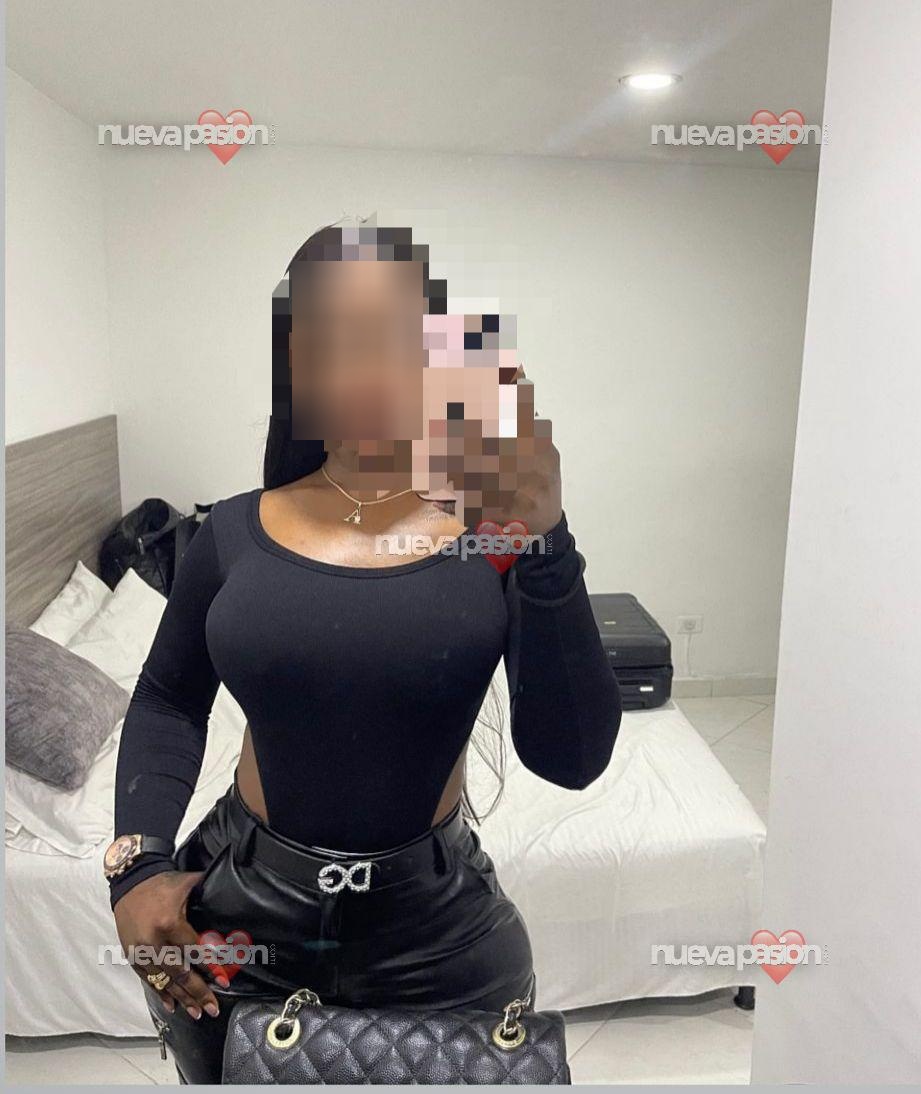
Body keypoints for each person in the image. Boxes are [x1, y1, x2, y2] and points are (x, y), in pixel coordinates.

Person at [106, 220, 623, 1083]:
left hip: (439, 937)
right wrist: (136, 867)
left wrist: (548, 537)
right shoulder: (228, 533)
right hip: (235, 922)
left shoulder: (491, 531)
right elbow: (168, 698)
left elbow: (572, 758)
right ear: (298, 358)